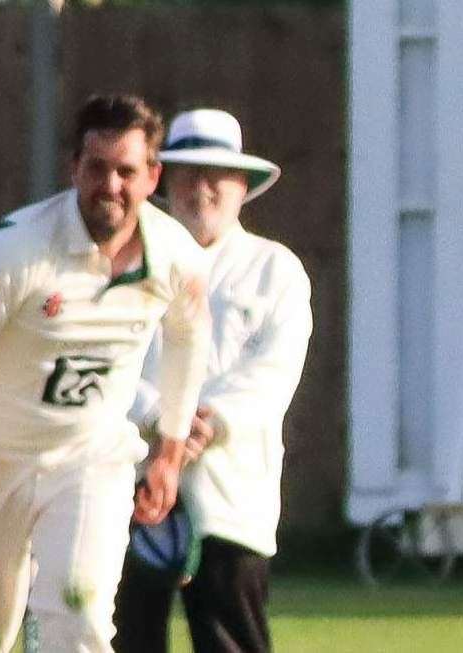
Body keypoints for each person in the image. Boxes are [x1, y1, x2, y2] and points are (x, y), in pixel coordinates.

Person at [0, 94, 212, 653]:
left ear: (152, 176)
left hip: (88, 458)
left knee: (79, 608)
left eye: (126, 171)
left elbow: (189, 337)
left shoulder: (175, 256)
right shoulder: (17, 249)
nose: (110, 186)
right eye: (96, 168)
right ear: (74, 168)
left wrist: (168, 448)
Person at [113, 109, 313, 653]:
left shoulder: (276, 269)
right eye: (187, 172)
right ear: (161, 180)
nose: (202, 188)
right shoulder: (129, 264)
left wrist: (206, 425)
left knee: (230, 639)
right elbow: (111, 358)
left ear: (242, 184)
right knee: (127, 639)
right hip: (134, 483)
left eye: (217, 174)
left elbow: (273, 374)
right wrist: (161, 420)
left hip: (231, 487)